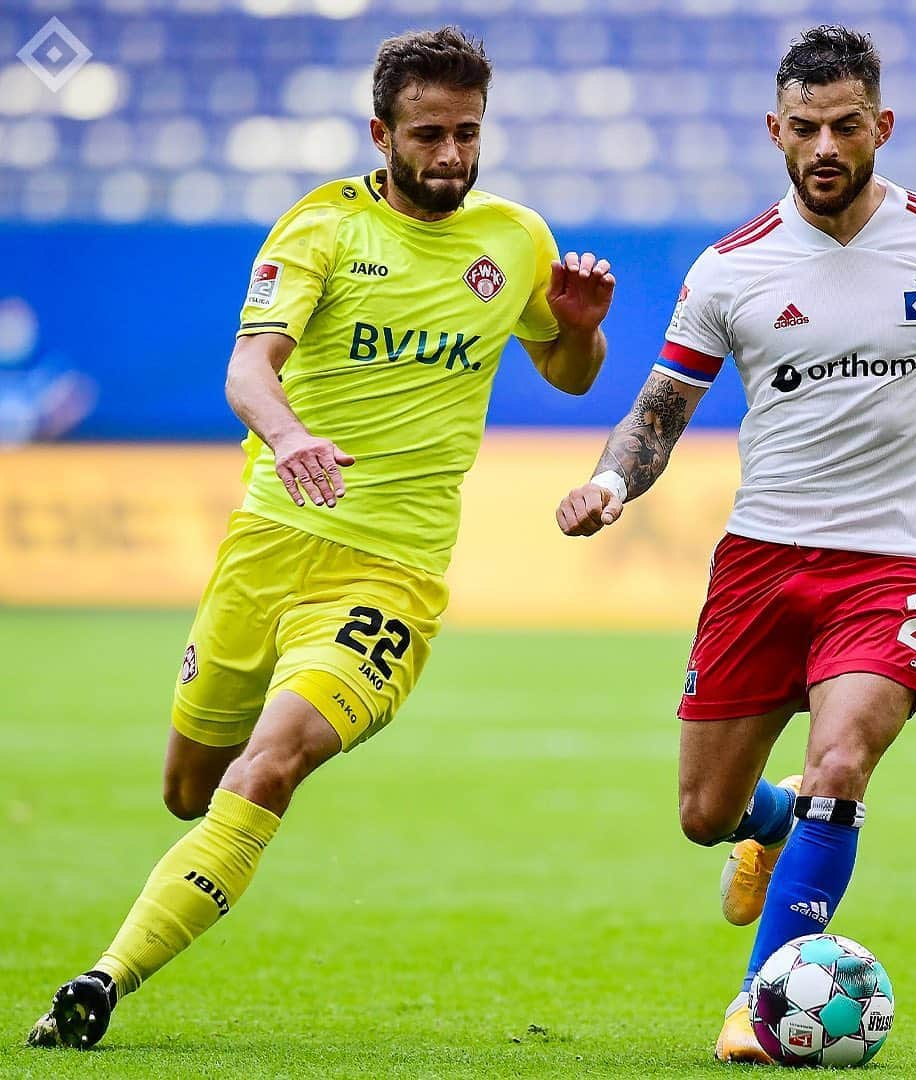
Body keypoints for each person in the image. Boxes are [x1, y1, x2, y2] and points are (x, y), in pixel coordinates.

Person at [29, 26, 615, 1050]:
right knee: (189, 790)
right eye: (428, 135)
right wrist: (292, 436)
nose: (450, 159)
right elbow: (249, 368)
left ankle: (103, 981)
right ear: (380, 130)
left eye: (468, 136)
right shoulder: (321, 230)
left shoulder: (516, 239)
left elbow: (570, 376)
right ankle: (181, 883)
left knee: (269, 767)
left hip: (391, 575)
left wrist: (578, 327)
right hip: (269, 547)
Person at [556, 24, 916, 1064]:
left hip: (896, 561)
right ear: (775, 129)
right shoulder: (731, 271)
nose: (824, 146)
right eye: (804, 127)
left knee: (842, 761)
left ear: (881, 126)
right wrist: (612, 481)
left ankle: (758, 1002)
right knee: (702, 812)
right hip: (764, 559)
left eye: (846, 125)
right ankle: (768, 821)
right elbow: (661, 405)